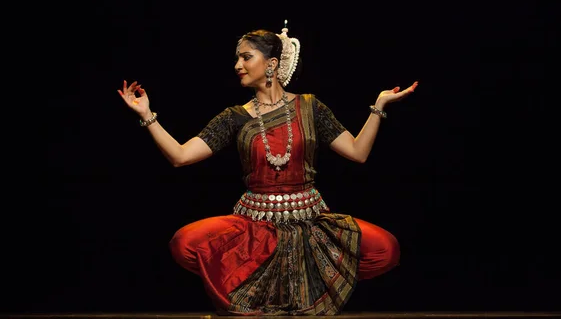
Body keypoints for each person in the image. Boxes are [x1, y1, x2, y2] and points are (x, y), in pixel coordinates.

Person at [117, 21, 419, 316]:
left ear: (271, 63)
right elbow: (180, 156)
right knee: (185, 243)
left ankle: (303, 286)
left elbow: (358, 152)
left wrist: (379, 105)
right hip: (254, 226)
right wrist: (147, 116)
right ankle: (260, 292)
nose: (238, 65)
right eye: (237, 58)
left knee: (385, 249)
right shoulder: (234, 117)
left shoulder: (311, 107)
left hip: (310, 222)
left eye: (246, 57)